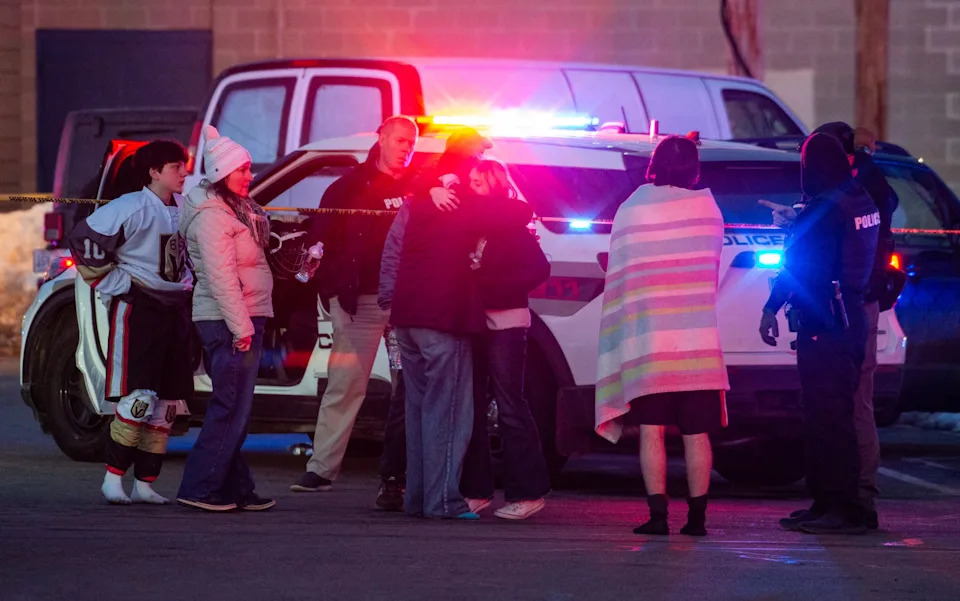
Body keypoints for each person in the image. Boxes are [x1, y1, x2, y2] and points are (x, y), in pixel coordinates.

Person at [760, 122, 898, 530]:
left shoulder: (824, 210)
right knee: (839, 413)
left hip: (825, 323)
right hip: (851, 317)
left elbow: (800, 268)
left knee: (827, 418)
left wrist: (771, 307)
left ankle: (837, 506)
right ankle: (834, 504)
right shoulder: (858, 199)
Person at [379, 156, 534, 520]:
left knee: (417, 412)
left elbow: (392, 252)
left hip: (407, 320)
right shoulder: (463, 207)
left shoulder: (415, 204)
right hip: (444, 320)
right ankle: (443, 501)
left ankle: (416, 498)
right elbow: (519, 212)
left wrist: (425, 187)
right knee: (448, 415)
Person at [595, 135, 729, 536]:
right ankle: (698, 520)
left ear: (653, 166)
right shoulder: (708, 209)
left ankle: (657, 518)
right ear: (694, 169)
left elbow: (620, 277)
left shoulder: (632, 210)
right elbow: (709, 270)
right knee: (696, 432)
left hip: (647, 343)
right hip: (696, 343)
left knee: (651, 430)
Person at [290, 116, 418, 503]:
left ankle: (404, 475)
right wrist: (332, 292)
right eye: (399, 140)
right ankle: (321, 469)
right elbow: (321, 242)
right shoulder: (345, 188)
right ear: (381, 138)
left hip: (406, 305)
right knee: (345, 386)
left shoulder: (422, 188)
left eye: (411, 142)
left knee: (410, 390)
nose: (406, 148)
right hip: (358, 301)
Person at [67, 140, 194, 506]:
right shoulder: (129, 207)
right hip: (139, 308)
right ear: (154, 172)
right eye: (176, 167)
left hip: (175, 309)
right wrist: (116, 283)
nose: (183, 172)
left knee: (167, 404)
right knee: (138, 397)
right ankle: (113, 478)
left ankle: (146, 482)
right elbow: (84, 240)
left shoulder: (185, 208)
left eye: (183, 166)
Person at [176, 126, 275, 512]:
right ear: (221, 174)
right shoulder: (213, 217)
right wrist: (242, 328)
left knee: (235, 408)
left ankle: (236, 487)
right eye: (243, 170)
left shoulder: (234, 208)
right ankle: (199, 487)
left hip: (242, 316)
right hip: (230, 320)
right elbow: (221, 277)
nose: (250, 176)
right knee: (229, 407)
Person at [458, 160, 552, 520]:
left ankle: (528, 493)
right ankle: (477, 490)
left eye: (478, 182)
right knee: (475, 407)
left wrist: (495, 290)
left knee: (510, 404)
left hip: (506, 323)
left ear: (494, 184)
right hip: (479, 322)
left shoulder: (512, 229)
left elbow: (538, 269)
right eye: (470, 181)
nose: (472, 187)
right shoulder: (478, 225)